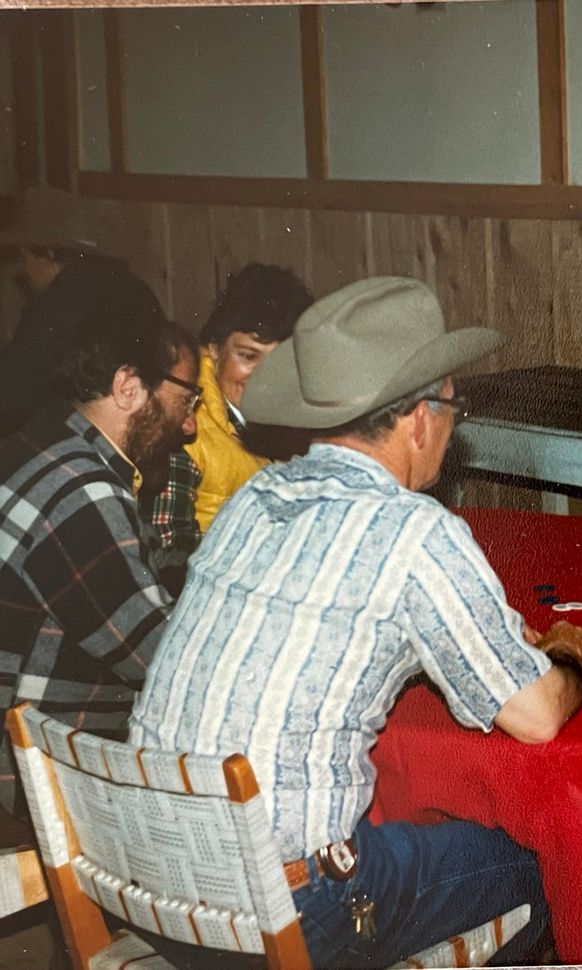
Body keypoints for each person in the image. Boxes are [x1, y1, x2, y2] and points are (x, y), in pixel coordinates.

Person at [127, 276, 582, 968]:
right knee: (543, 869)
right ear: (421, 417)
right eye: (453, 406)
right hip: (283, 911)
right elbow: (534, 716)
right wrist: (567, 658)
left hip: (149, 881)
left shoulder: (255, 495)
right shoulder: (414, 530)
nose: (452, 424)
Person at [0, 306, 199, 819]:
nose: (192, 425)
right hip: (20, 784)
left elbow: (143, 567)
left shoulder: (42, 444)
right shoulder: (80, 489)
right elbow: (160, 656)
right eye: (185, 400)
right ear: (129, 387)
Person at [139, 264, 313, 592]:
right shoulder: (186, 433)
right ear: (215, 350)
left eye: (279, 363)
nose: (263, 377)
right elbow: (169, 559)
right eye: (248, 356)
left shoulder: (292, 423)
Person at [0, 186, 165, 437]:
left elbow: (11, 394)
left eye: (23, 257)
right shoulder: (130, 285)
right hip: (142, 425)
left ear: (46, 254)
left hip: (92, 436)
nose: (21, 270)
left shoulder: (56, 303)